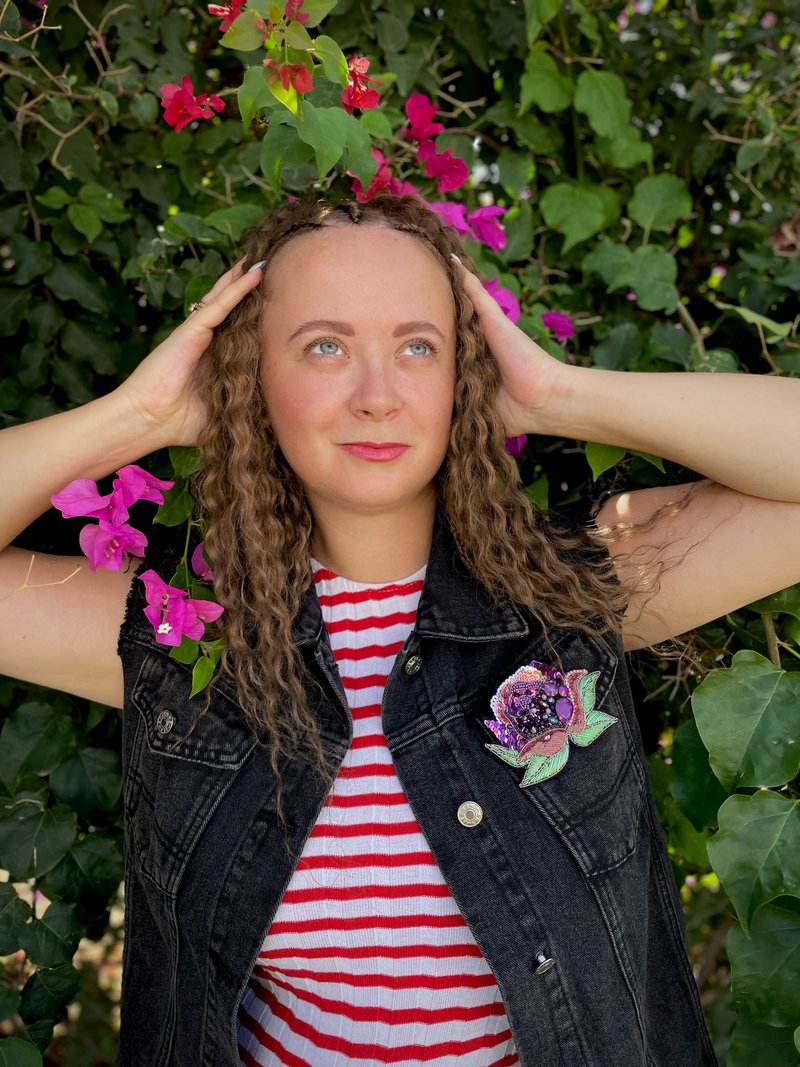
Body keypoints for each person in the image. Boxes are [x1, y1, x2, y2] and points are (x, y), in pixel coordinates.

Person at [1, 195, 799, 1067]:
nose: (378, 396)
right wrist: (138, 416)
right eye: (325, 347)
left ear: (466, 374)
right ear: (250, 379)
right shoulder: (179, 640)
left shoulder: (572, 593)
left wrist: (557, 392)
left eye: (418, 346)